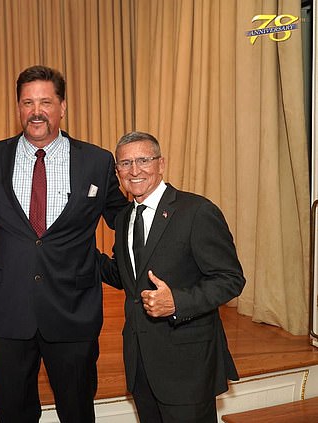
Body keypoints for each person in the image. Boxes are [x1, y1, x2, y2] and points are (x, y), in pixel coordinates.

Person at [0, 65, 128, 422]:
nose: (36, 111)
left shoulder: (96, 161)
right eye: (27, 102)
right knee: (13, 412)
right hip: (9, 312)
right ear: (18, 108)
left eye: (45, 101)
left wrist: (116, 267)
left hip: (74, 312)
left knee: (76, 410)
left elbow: (125, 219)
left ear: (63, 107)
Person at [102, 131, 246, 422]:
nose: (135, 170)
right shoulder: (123, 218)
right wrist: (74, 251)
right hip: (141, 364)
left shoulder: (197, 211)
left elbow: (230, 278)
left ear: (161, 164)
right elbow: (125, 276)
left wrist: (177, 302)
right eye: (125, 163)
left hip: (187, 368)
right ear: (118, 172)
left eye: (143, 160)